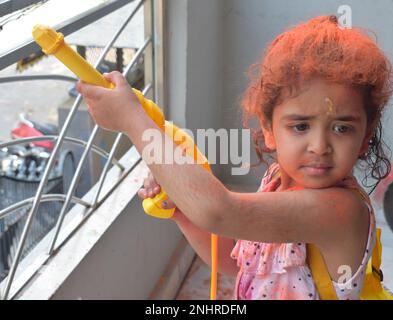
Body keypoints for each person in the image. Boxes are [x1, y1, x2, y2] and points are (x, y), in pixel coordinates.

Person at [76, 15, 393, 299]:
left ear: (365, 136)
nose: (319, 145)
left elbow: (218, 211)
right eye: (300, 126)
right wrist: (182, 212)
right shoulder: (277, 182)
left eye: (341, 128)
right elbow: (233, 259)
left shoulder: (339, 211)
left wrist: (133, 121)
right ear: (268, 129)